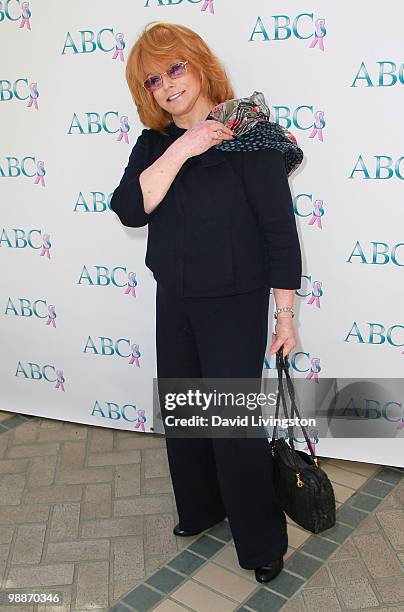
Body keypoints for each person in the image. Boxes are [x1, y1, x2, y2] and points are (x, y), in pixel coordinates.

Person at [110, 21, 303, 584]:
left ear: (199, 65)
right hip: (174, 297)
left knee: (231, 424)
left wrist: (285, 314)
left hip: (234, 303)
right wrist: (187, 144)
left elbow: (279, 233)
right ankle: (202, 508)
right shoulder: (153, 145)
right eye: (152, 80)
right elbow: (130, 208)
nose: (167, 85)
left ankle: (261, 540)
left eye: (175, 69)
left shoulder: (253, 137)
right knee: (186, 414)